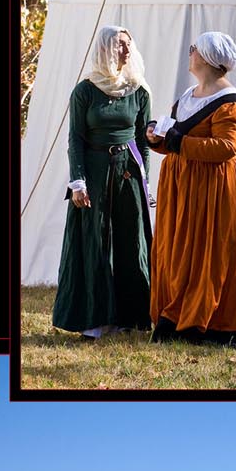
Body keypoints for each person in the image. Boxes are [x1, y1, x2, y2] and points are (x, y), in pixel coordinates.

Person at [147, 33, 236, 346]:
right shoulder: (189, 94)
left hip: (215, 189)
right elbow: (175, 136)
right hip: (184, 185)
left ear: (206, 58)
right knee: (181, 251)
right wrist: (157, 137)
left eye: (194, 48)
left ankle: (213, 322)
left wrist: (179, 141)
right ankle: (177, 315)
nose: (189, 52)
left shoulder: (232, 102)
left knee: (212, 253)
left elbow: (226, 147)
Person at [51, 27, 152, 338]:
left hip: (128, 172)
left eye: (128, 45)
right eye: (120, 45)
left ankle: (128, 317)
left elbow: (143, 140)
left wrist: (145, 182)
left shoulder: (139, 90)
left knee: (129, 240)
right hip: (93, 171)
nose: (126, 51)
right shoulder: (85, 90)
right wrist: (77, 181)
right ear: (105, 48)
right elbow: (75, 139)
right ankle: (95, 320)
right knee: (95, 240)